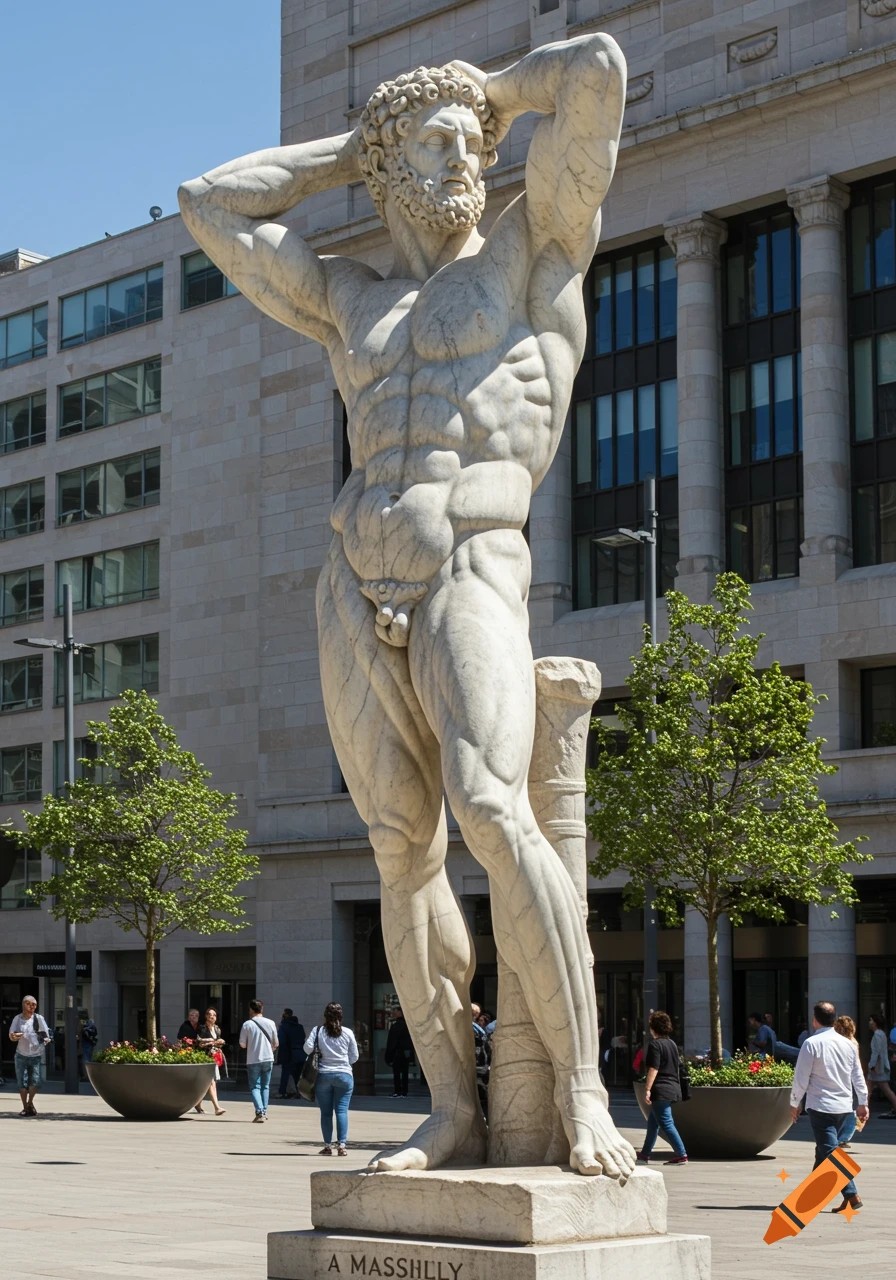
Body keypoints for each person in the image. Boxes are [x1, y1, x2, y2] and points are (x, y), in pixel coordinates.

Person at [178, 34, 636, 1183]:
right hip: (352, 581)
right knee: (400, 849)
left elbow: (594, 73)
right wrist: (358, 147)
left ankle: (580, 1089)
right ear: (387, 170)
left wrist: (488, 95)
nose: (463, 156)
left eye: (470, 143)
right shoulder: (350, 300)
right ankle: (448, 1108)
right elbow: (207, 205)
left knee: (490, 804)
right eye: (434, 145)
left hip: (470, 560)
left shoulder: (531, 248)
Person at [791, 1001, 868, 1214]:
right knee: (824, 1152)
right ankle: (811, 1198)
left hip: (821, 1106)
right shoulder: (848, 1044)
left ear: (815, 1020)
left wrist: (795, 1103)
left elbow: (801, 1077)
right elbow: (858, 1075)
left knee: (830, 1152)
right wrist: (863, 1102)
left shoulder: (811, 1043)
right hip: (843, 1106)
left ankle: (851, 1194)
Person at [304, 1003, 359, 1155]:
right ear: (341, 1015)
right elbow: (354, 1056)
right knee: (342, 1111)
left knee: (326, 1113)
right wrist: (343, 1062)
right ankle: (342, 1146)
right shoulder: (348, 1032)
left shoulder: (318, 1031)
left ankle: (328, 1145)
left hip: (324, 1074)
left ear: (325, 1015)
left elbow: (307, 1049)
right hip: (344, 1075)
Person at [635, 1011, 688, 1167]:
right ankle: (644, 1154)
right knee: (653, 1123)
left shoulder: (655, 1044)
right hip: (672, 1087)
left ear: (653, 1027)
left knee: (666, 1122)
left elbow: (654, 1068)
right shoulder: (672, 1044)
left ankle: (681, 1154)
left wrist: (647, 1089)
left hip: (661, 1089)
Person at [9, 995, 51, 1117]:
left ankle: (30, 1102)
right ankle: (25, 1107)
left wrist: (45, 1039)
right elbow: (11, 1035)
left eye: (34, 1004)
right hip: (21, 1055)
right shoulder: (17, 1019)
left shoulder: (39, 1018)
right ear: (23, 1005)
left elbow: (46, 1034)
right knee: (22, 1083)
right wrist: (15, 1036)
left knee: (35, 1082)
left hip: (35, 1055)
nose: (32, 1006)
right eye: (29, 1004)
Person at [239, 999, 279, 1122]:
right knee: (265, 1086)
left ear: (251, 1010)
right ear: (262, 1009)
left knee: (255, 1086)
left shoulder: (247, 1024)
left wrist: (252, 1044)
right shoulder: (271, 1023)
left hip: (253, 1059)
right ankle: (264, 1112)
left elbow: (242, 1044)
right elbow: (276, 1043)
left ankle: (259, 1111)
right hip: (268, 1058)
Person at [833, 1015, 861, 1146]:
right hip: (848, 1078)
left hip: (842, 1078)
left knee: (849, 1110)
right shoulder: (852, 1042)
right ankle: (842, 1137)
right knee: (850, 1109)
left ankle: (841, 1137)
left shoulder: (841, 1042)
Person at [195, 1008, 227, 1116]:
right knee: (211, 1082)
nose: (212, 1016)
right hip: (205, 1058)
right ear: (206, 1016)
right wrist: (213, 1042)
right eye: (209, 1014)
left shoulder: (217, 1029)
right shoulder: (202, 1028)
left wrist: (219, 1043)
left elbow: (219, 1042)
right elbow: (199, 1043)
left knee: (207, 1083)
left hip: (214, 1058)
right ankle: (217, 1108)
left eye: (214, 1015)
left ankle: (198, 1104)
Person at [867, 1013, 896, 1117]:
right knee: (870, 1088)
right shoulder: (881, 1034)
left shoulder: (877, 1035)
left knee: (875, 1089)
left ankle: (863, 1110)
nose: (869, 1022)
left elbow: (876, 1052)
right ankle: (863, 1109)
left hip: (878, 1068)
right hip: (880, 1067)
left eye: (871, 1020)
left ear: (875, 1023)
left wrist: (872, 1065)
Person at [276, 1008, 306, 1098]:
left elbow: (281, 1041)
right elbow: (303, 1038)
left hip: (288, 1054)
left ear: (285, 1015)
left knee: (285, 1074)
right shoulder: (299, 1027)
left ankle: (282, 1092)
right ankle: (299, 1092)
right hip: (300, 1054)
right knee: (297, 1075)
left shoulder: (284, 1026)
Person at [385, 1007, 414, 1098]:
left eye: (396, 1011)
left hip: (397, 1052)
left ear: (400, 1013)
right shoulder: (408, 1025)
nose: (394, 1013)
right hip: (406, 1052)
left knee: (397, 1072)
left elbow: (391, 1042)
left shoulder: (396, 1026)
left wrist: (389, 1054)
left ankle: (397, 1091)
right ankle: (404, 1091)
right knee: (405, 1071)